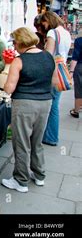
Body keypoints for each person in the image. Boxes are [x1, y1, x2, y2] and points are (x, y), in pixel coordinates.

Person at [2, 27, 54, 193]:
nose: (14, 46)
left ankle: (21, 180)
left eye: (15, 42)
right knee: (37, 141)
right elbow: (51, 81)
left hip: (25, 103)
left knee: (22, 142)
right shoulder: (48, 56)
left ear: (21, 42)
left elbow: (9, 88)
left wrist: (3, 75)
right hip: (45, 102)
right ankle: (39, 175)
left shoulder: (19, 60)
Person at [40, 11, 72, 146]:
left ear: (49, 20)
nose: (44, 26)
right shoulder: (66, 33)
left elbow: (48, 55)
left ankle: (51, 137)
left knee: (51, 106)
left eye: (44, 23)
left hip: (53, 73)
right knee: (55, 105)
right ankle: (50, 135)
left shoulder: (52, 33)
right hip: (61, 71)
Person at [68, 34, 82, 118]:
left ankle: (76, 111)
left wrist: (71, 71)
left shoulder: (79, 40)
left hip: (80, 67)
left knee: (79, 88)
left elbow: (75, 57)